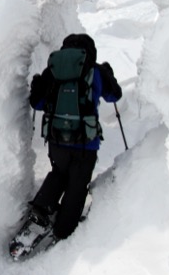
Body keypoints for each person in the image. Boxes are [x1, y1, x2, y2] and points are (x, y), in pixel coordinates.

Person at [24, 33, 122, 242]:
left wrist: (38, 84)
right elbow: (115, 96)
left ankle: (40, 210)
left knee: (59, 172)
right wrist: (108, 75)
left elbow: (37, 103)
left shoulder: (53, 70)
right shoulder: (95, 71)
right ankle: (63, 230)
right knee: (77, 184)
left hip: (55, 138)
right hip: (85, 142)